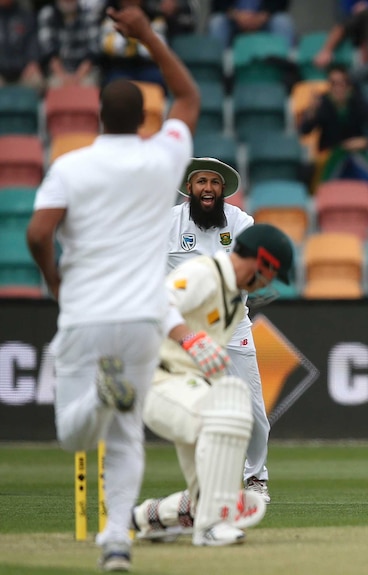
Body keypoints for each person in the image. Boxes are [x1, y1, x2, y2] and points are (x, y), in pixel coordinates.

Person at [25, 5, 199, 571]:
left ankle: (100, 397)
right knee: (126, 437)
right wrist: (147, 35)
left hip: (85, 312)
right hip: (145, 318)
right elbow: (189, 97)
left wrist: (55, 279)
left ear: (98, 116)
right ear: (144, 118)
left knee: (75, 437)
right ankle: (116, 542)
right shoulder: (161, 156)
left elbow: (37, 233)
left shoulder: (71, 166)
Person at [135, 223, 294, 545]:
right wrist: (188, 338)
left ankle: (150, 516)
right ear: (261, 260)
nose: (268, 283)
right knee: (224, 415)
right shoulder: (204, 273)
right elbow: (154, 302)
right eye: (270, 273)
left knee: (233, 405)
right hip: (157, 380)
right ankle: (211, 527)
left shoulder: (234, 302)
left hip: (187, 389)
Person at [166, 157, 274, 504]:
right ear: (190, 188)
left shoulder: (242, 222)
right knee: (195, 412)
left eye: (214, 182)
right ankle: (206, 487)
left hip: (231, 324)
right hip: (184, 330)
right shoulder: (166, 224)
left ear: (223, 188)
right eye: (201, 182)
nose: (208, 189)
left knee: (253, 410)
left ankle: (256, 477)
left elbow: (253, 270)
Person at [299, 63, 368, 194]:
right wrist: (310, 114)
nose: (337, 88)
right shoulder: (322, 103)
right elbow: (304, 131)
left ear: (349, 86)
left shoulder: (359, 103)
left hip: (355, 155)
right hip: (329, 156)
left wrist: (365, 141)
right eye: (333, 83)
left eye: (341, 83)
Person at [99, 0, 168, 88]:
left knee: (156, 79)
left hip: (148, 66)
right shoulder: (110, 17)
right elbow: (108, 47)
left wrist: (142, 32)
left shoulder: (154, 16)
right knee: (117, 84)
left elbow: (160, 47)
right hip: (120, 67)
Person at [37, 0, 101, 88]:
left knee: (88, 85)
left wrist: (77, 77)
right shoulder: (47, 14)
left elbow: (93, 51)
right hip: (57, 71)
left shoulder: (90, 15)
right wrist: (63, 77)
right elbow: (48, 51)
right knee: (55, 85)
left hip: (85, 72)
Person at [208, 0, 293, 51]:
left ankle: (286, 69)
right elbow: (218, 3)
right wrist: (236, 15)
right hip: (233, 21)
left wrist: (262, 16)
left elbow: (281, 3)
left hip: (264, 20)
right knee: (217, 22)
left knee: (282, 22)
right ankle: (216, 69)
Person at [0, 0, 45, 90]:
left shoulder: (26, 15)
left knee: (37, 82)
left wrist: (33, 62)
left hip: (23, 70)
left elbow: (33, 43)